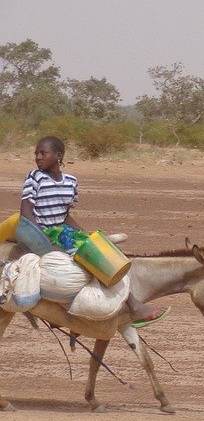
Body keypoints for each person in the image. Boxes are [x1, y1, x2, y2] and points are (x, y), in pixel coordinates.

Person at [19, 136, 166, 327]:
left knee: (106, 252)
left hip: (64, 232)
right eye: (36, 153)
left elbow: (65, 216)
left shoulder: (71, 181)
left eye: (43, 153)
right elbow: (26, 212)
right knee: (92, 260)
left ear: (58, 156)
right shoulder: (34, 177)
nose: (38, 157)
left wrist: (89, 237)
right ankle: (133, 306)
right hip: (43, 233)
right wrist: (43, 237)